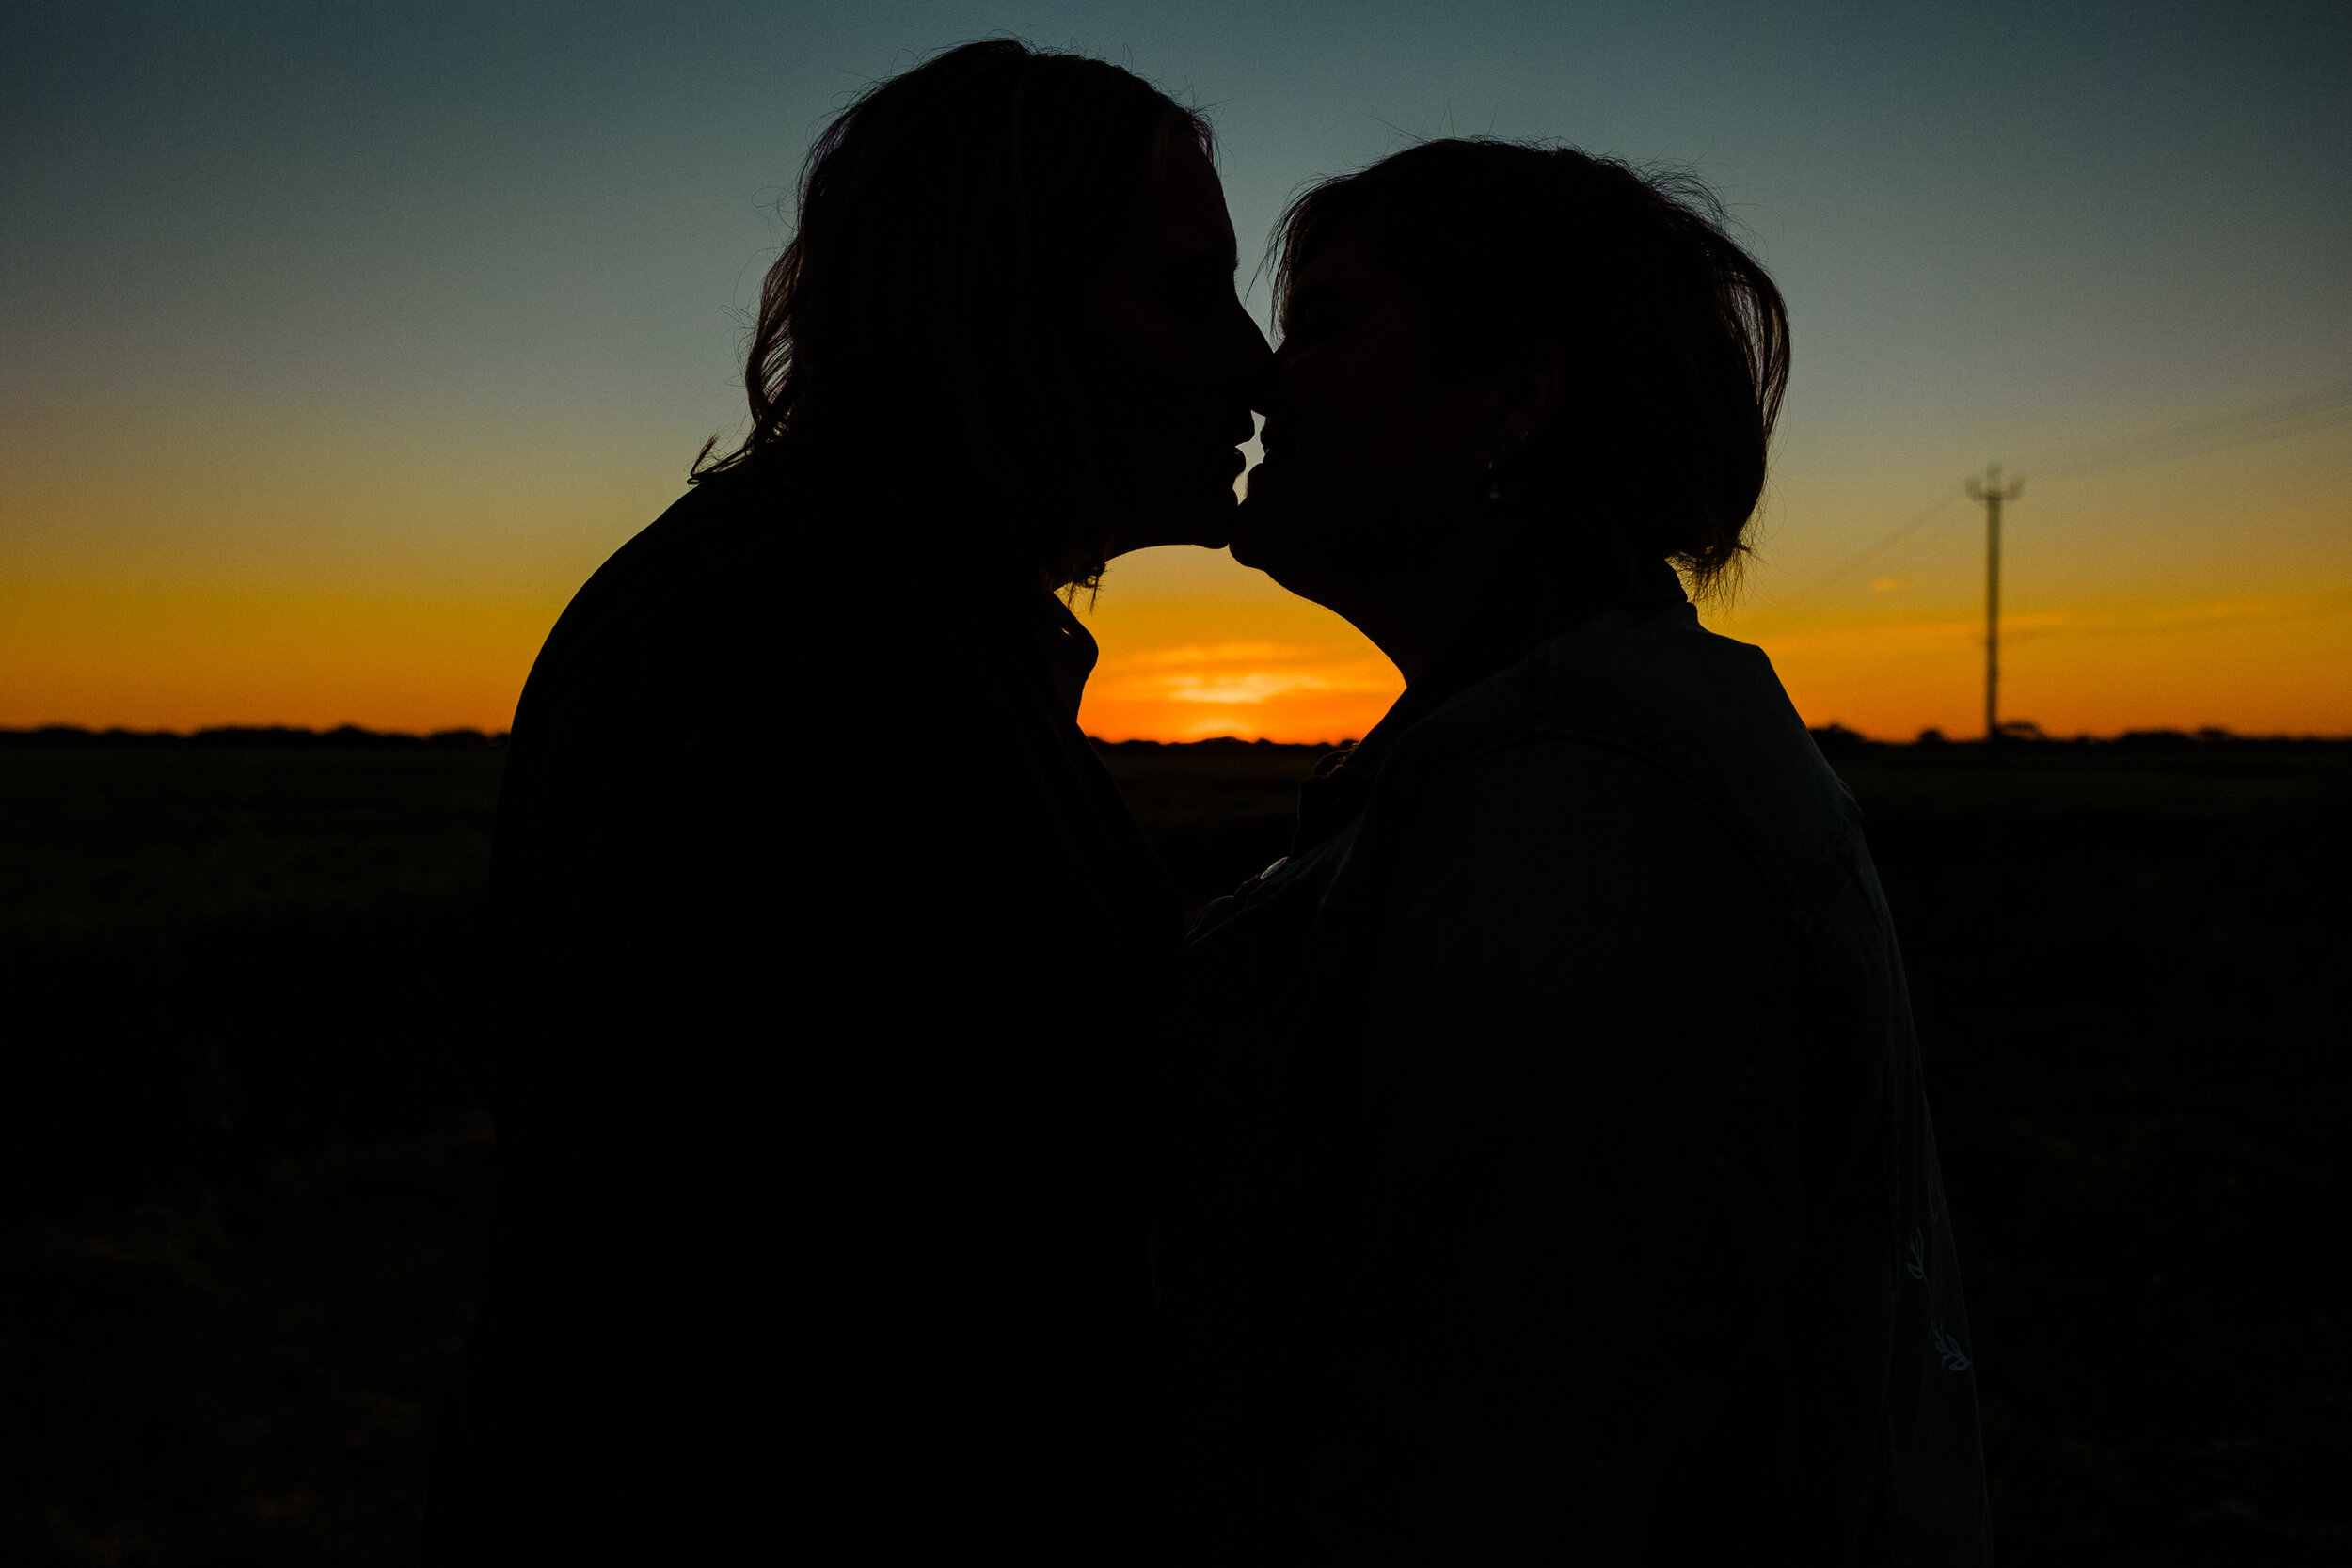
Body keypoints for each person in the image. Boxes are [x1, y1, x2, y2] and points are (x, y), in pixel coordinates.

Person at [429, 40, 1268, 1562]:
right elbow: (698, 1330)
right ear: (995, 305)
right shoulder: (814, 649)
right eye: (1184, 293)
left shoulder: (864, 613)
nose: (1256, 366)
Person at [1154, 140, 1990, 1564]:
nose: (1259, 379)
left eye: (1326, 326)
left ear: (1514, 400)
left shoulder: (1596, 815)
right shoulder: (1565, 751)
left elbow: (1508, 1451)